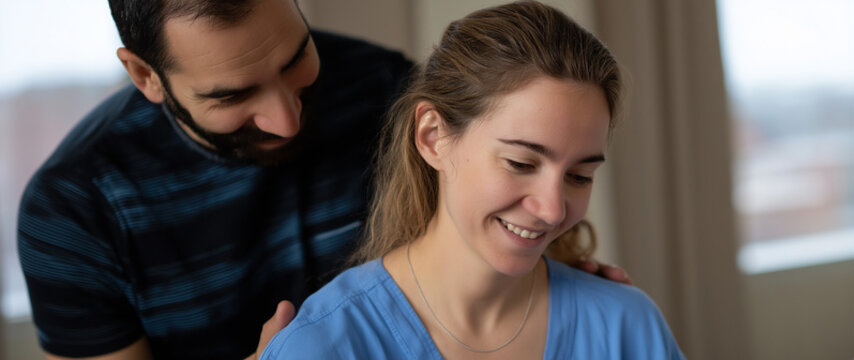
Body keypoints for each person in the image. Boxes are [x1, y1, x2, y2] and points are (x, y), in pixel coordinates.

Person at [17, 1, 630, 359]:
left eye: (295, 61)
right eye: (234, 95)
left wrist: (555, 270)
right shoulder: (73, 211)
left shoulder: (387, 88)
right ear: (144, 74)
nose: (286, 118)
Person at [260, 2, 684, 359]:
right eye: (520, 163)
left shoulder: (627, 327)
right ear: (433, 137)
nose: (553, 209)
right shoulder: (321, 345)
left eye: (579, 175)